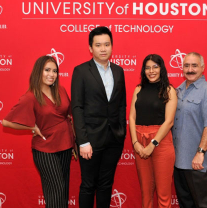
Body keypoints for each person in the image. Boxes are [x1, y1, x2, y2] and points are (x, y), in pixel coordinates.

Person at [2, 55, 75, 208]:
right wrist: (32, 127)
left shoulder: (60, 90)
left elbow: (69, 115)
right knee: (56, 191)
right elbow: (7, 122)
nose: (52, 74)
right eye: (47, 70)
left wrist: (74, 141)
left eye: (55, 71)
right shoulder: (31, 96)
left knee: (63, 193)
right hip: (45, 149)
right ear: (38, 72)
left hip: (66, 145)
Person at [71, 26, 126, 208]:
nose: (103, 49)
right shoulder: (81, 71)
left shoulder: (119, 71)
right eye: (98, 45)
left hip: (114, 139)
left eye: (107, 44)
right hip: (90, 141)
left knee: (106, 185)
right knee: (88, 185)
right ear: (90, 48)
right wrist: (83, 142)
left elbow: (121, 105)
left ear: (112, 46)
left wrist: (122, 132)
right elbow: (77, 107)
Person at [172, 52, 207, 208]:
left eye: (194, 65)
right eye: (186, 65)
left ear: (202, 68)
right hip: (179, 162)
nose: (190, 69)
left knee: (206, 205)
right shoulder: (177, 91)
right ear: (182, 68)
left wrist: (200, 153)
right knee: (186, 204)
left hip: (200, 163)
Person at [129, 54, 177, 208]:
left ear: (161, 68)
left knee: (163, 195)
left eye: (155, 67)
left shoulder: (169, 90)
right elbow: (131, 117)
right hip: (140, 142)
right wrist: (135, 142)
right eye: (148, 67)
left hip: (161, 142)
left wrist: (152, 144)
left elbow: (169, 121)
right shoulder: (138, 89)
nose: (151, 71)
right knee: (146, 193)